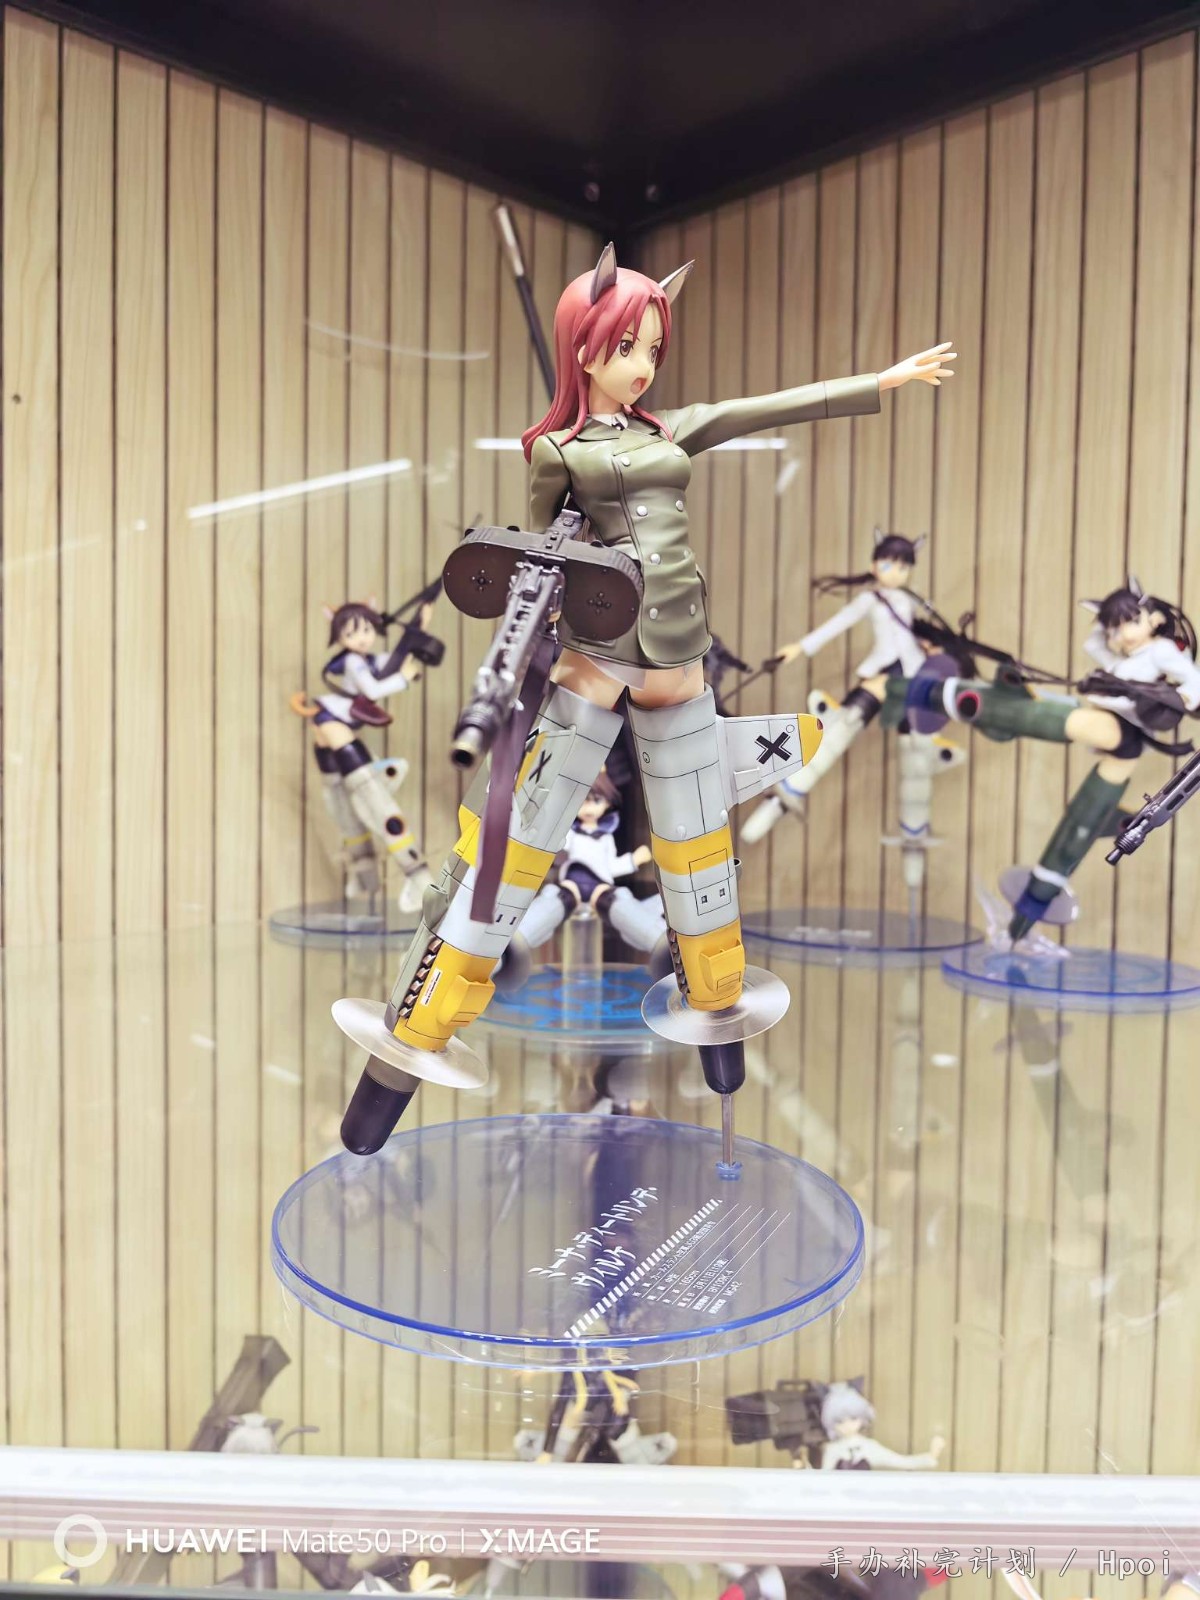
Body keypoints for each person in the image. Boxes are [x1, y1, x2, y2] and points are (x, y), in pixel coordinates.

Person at [337, 242, 955, 1153]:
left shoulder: (669, 431)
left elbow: (757, 408)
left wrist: (880, 381)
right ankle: (410, 1043)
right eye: (628, 346)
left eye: (652, 348)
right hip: (595, 656)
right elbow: (541, 549)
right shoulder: (555, 449)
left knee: (699, 858)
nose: (643, 364)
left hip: (680, 662)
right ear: (584, 345)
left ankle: (719, 1019)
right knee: (507, 848)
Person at [291, 598, 434, 910]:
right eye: (352, 632)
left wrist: (419, 626)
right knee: (359, 802)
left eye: (367, 629)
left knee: (357, 801)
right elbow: (372, 690)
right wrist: (403, 679)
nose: (362, 637)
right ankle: (379, 875)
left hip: (331, 730)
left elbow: (398, 657)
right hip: (330, 727)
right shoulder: (353, 663)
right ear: (340, 636)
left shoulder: (367, 660)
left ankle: (411, 875)